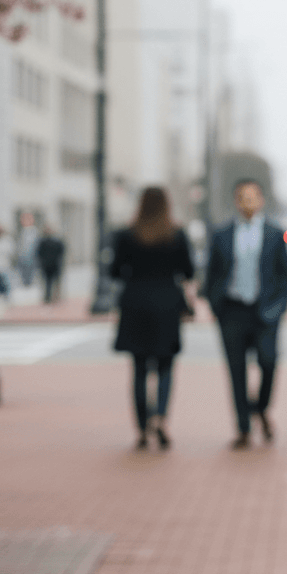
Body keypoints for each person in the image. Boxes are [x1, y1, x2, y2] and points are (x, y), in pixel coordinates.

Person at [203, 179, 287, 449]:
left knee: (268, 362)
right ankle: (242, 427)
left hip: (265, 312)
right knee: (236, 370)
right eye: (242, 197)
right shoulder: (221, 234)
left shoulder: (276, 234)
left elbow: (284, 276)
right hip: (232, 311)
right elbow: (212, 274)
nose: (248, 202)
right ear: (236, 201)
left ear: (261, 200)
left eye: (252, 197)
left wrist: (279, 308)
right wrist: (216, 306)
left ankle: (261, 408)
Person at [111, 187, 195, 451]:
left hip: (135, 302)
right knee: (166, 366)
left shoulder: (127, 234)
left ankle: (142, 427)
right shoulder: (176, 234)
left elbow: (115, 270)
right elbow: (188, 270)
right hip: (167, 304)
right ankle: (160, 416)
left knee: (138, 368)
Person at [36, 226, 66, 304]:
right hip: (48, 265)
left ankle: (55, 297)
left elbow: (62, 251)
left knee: (55, 282)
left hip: (54, 264)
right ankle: (49, 297)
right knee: (48, 282)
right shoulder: (43, 241)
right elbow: (39, 253)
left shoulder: (57, 241)